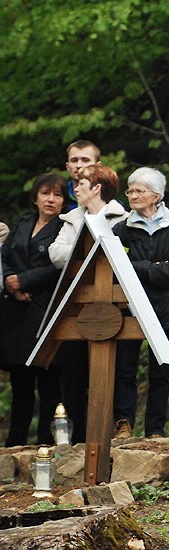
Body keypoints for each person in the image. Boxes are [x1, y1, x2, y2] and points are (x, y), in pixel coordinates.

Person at [112, 168, 169, 439]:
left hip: (168, 309)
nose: (133, 196)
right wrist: (156, 267)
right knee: (124, 369)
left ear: (156, 196)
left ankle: (155, 430)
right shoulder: (122, 229)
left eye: (139, 191)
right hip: (131, 309)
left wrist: (142, 269)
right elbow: (115, 267)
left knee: (161, 373)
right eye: (130, 191)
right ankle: (123, 424)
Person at [49, 164, 128, 443]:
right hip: (75, 305)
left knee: (107, 371)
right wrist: (87, 249)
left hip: (109, 305)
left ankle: (106, 432)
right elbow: (55, 253)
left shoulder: (121, 218)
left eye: (81, 184)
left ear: (97, 188)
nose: (76, 189)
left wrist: (85, 254)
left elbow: (119, 257)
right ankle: (76, 436)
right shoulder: (71, 219)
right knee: (72, 372)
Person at [0, 174, 67, 446]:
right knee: (21, 384)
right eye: (45, 193)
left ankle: (46, 444)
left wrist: (26, 280)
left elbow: (62, 264)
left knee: (50, 383)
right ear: (35, 197)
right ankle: (15, 442)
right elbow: (4, 256)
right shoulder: (22, 224)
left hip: (46, 310)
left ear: (64, 201)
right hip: (16, 312)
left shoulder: (66, 228)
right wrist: (12, 283)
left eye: (57, 195)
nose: (50, 200)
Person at [64, 140, 101, 210]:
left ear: (98, 166)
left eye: (85, 160)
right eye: (74, 160)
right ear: (67, 166)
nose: (79, 165)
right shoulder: (59, 197)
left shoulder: (109, 202)